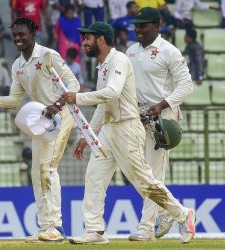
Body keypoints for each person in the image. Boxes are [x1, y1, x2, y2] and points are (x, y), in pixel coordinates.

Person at [62, 21, 196, 245]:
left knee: (144, 182)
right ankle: (95, 230)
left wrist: (78, 98)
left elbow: (112, 92)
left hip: (127, 128)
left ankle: (183, 214)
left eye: (88, 38)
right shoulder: (102, 65)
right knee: (94, 177)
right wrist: (88, 136)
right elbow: (103, 106)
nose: (83, 42)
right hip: (108, 129)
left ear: (101, 39)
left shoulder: (119, 60)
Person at [0, 17, 80, 242]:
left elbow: (74, 85)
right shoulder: (17, 66)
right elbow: (15, 100)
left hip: (62, 115)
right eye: (15, 35)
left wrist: (57, 105)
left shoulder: (49, 55)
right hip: (42, 120)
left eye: (22, 34)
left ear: (33, 34)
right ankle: (45, 226)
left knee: (48, 168)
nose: (18, 38)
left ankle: (56, 227)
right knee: (36, 172)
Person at [125, 7, 194, 241]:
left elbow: (186, 86)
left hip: (162, 119)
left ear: (157, 25)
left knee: (152, 173)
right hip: (137, 116)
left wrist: (162, 105)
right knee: (139, 173)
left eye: (143, 25)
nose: (138, 29)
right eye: (136, 25)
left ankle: (146, 227)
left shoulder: (170, 51)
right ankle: (168, 211)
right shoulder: (131, 51)